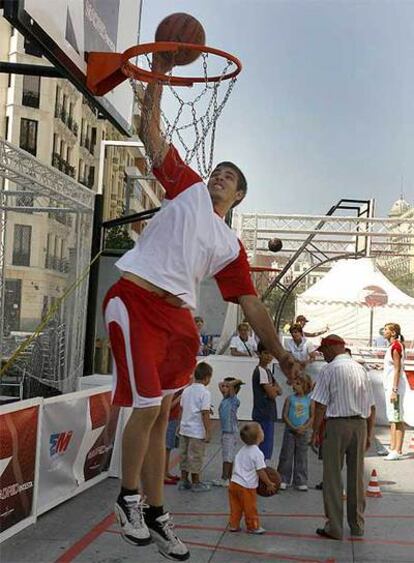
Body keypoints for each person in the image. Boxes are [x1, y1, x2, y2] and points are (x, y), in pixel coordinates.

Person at [103, 51, 298, 561]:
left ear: (240, 195)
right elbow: (151, 132)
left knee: (163, 412)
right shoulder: (186, 189)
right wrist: (160, 77)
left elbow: (252, 305)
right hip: (136, 300)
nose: (219, 176)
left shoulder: (230, 246)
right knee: (147, 407)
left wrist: (280, 352)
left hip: (177, 321)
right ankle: (127, 500)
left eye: (229, 177)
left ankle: (156, 513)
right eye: (217, 171)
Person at [310, 335, 376, 540]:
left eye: (324, 350)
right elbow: (371, 407)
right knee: (356, 476)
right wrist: (369, 434)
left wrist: (315, 432)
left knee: (332, 477)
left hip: (337, 424)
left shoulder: (329, 370)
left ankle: (334, 527)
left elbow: (320, 404)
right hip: (359, 424)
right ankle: (357, 525)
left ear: (333, 348)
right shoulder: (360, 369)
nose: (323, 354)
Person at [228, 422, 276, 534]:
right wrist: (269, 483)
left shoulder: (242, 450)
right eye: (261, 430)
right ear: (259, 437)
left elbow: (234, 465)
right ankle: (253, 526)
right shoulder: (257, 453)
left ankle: (233, 525)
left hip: (234, 483)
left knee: (236, 507)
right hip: (246, 486)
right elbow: (261, 471)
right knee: (250, 507)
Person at [178, 362, 212, 492]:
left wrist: (179, 424)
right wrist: (208, 431)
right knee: (196, 456)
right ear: (207, 377)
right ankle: (196, 482)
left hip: (184, 429)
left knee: (184, 455)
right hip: (197, 431)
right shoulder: (205, 392)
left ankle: (183, 480)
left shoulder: (187, 390)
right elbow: (205, 413)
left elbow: (181, 409)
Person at [278, 374, 314, 491]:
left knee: (301, 456)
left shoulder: (310, 401)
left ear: (306, 386)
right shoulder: (290, 399)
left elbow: (312, 417)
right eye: (295, 383)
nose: (295, 386)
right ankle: (283, 478)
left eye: (298, 384)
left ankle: (300, 480)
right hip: (290, 430)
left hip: (303, 431)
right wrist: (292, 426)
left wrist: (304, 428)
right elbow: (285, 414)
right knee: (286, 455)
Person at [252, 341, 283, 464]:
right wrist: (273, 389)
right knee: (262, 445)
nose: (268, 356)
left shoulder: (268, 371)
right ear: (259, 354)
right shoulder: (261, 371)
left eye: (270, 353)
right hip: (263, 413)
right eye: (265, 353)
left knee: (266, 444)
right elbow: (272, 394)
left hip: (268, 413)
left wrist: (274, 388)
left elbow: (279, 390)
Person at [212, 377, 244, 487]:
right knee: (228, 456)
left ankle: (225, 478)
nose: (224, 388)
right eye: (224, 386)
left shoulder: (234, 400)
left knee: (227, 456)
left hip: (230, 432)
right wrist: (226, 384)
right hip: (226, 432)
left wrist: (232, 384)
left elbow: (228, 387)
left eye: (228, 387)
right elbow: (219, 384)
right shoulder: (225, 399)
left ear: (233, 390)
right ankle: (229, 477)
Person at [382, 323, 407, 461]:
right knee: (392, 418)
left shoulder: (397, 346)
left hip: (395, 388)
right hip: (390, 386)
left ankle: (397, 449)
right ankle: (392, 447)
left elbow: (397, 369)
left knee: (397, 418)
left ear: (393, 332)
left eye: (386, 330)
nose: (383, 331)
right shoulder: (391, 347)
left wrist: (394, 390)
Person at [164, 390, 183, 484]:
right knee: (166, 448)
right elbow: (168, 407)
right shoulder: (173, 392)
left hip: (173, 420)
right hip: (169, 420)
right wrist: (180, 398)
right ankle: (163, 474)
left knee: (169, 447)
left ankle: (166, 472)